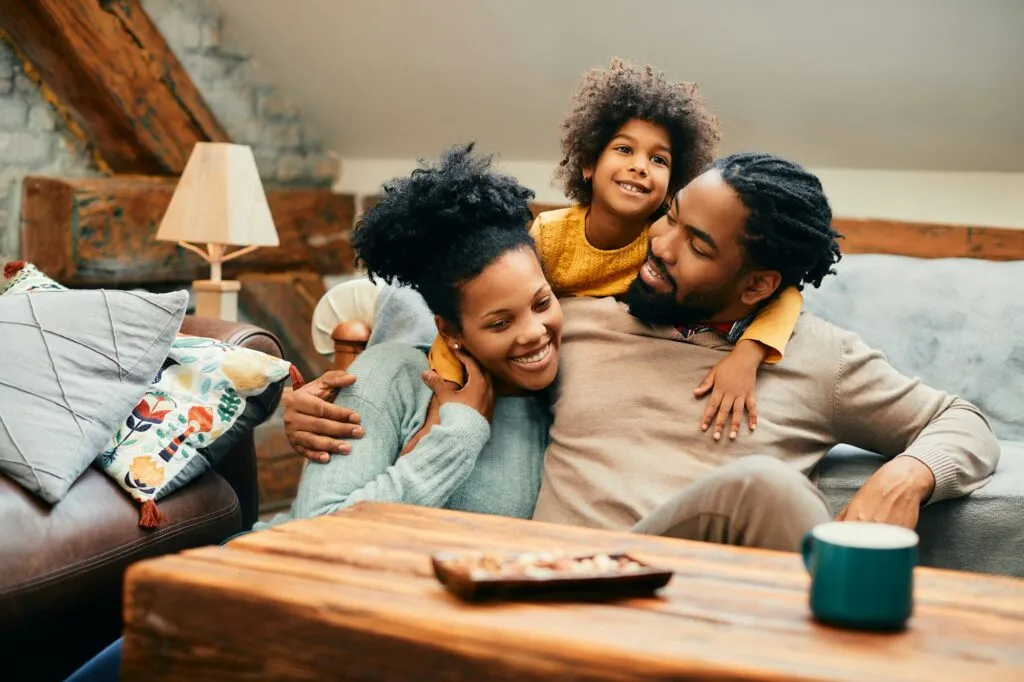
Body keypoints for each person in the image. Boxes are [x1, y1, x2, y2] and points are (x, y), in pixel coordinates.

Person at [286, 152, 1000, 552]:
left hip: (712, 607)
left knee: (765, 490)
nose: (657, 247)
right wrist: (330, 394)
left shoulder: (819, 358)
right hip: (565, 580)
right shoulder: (583, 319)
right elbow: (469, 318)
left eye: (695, 245)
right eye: (671, 218)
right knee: (769, 486)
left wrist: (904, 478)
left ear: (756, 284)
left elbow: (963, 423)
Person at [427, 59, 802, 440]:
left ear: (673, 186)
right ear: (589, 163)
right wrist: (445, 396)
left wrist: (749, 354)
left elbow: (784, 297)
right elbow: (482, 304)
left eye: (659, 160)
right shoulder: (549, 236)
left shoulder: (662, 249)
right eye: (624, 149)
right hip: (527, 363)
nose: (640, 166)